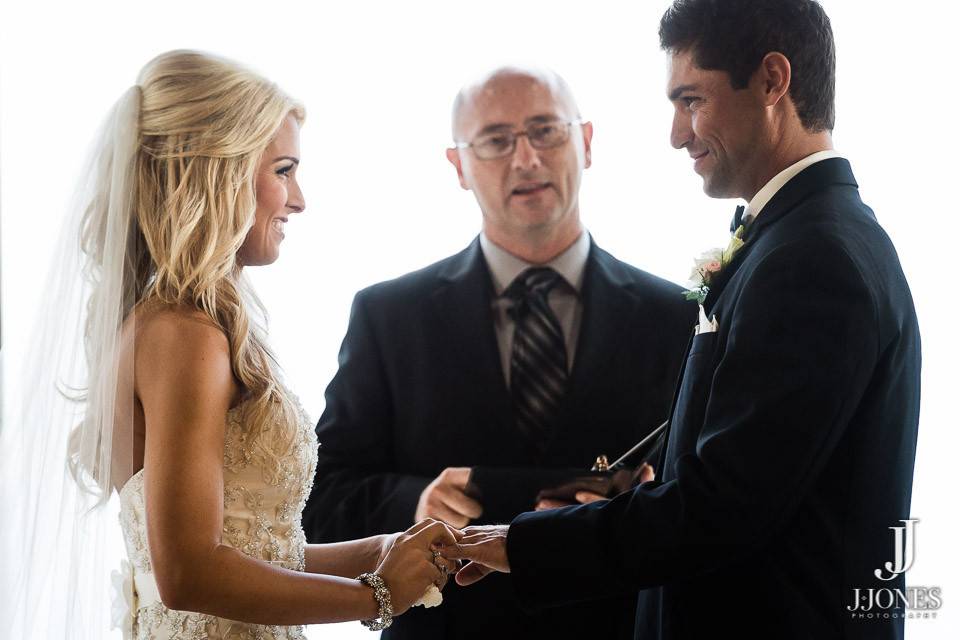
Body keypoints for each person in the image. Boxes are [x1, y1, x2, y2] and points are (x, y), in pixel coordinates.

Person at [444, 2, 922, 640]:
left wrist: (520, 544)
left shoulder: (813, 259)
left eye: (691, 100)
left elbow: (722, 509)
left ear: (774, 81)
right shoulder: (805, 237)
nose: (677, 133)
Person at [0, 50, 458, 639]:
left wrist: (388, 551)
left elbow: (255, 553)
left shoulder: (193, 326)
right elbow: (189, 573)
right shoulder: (181, 335)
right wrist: (376, 596)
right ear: (221, 171)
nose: (299, 199)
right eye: (284, 170)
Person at [302, 67, 694, 639]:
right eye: (495, 141)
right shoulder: (388, 316)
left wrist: (645, 500)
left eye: (545, 132)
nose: (526, 159)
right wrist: (417, 502)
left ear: (585, 142)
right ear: (458, 165)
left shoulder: (679, 315)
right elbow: (320, 499)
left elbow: (710, 500)